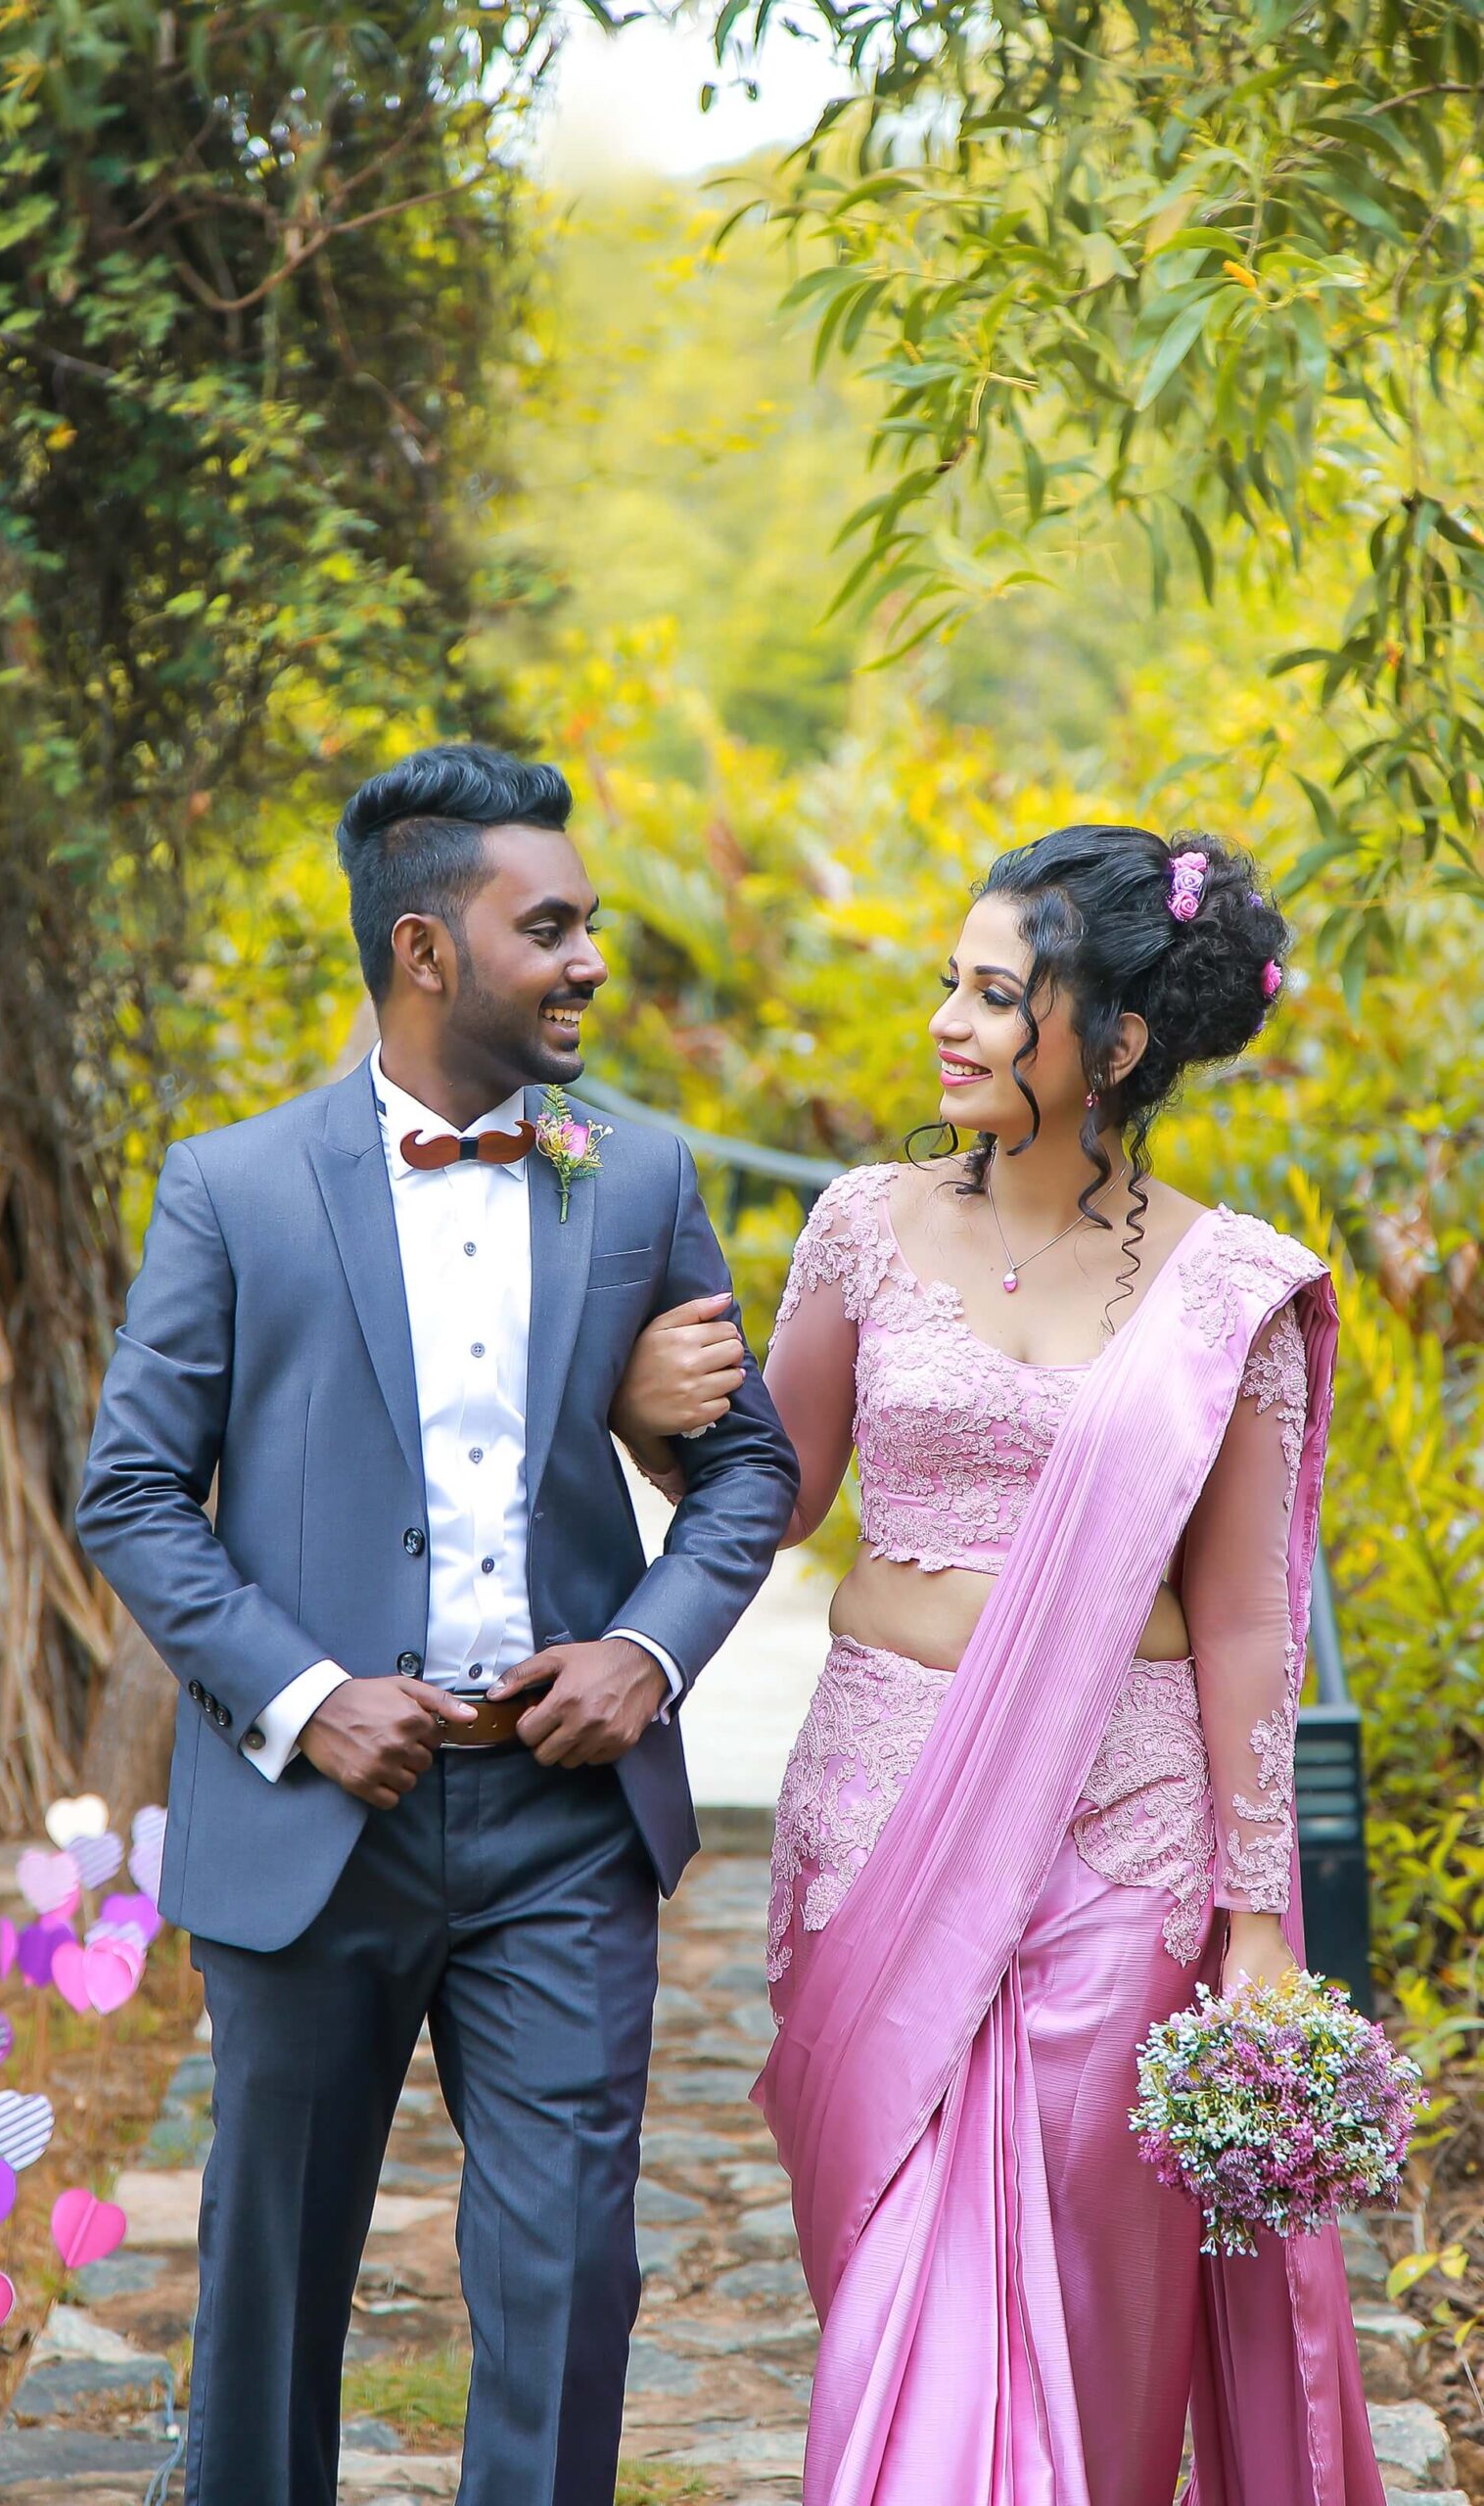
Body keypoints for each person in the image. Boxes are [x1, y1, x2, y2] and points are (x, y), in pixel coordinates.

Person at [611, 825, 1383, 2505]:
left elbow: (1252, 1623)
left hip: (1122, 1838)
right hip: (883, 1807)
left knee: (1099, 2315)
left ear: (1112, 1044)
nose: (947, 1023)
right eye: (946, 986)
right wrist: (650, 1424)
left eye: (992, 994)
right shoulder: (864, 1228)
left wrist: (1258, 1931)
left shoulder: (1226, 1291)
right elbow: (778, 1493)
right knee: (894, 2300)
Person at [76, 742, 797, 2506]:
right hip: (317, 1816)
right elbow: (132, 1492)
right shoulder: (234, 1187)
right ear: (422, 951)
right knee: (268, 2285)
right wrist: (306, 1695)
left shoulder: (626, 1175)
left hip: (561, 1826)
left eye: (590, 925)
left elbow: (750, 1473)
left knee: (570, 2279)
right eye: (545, 927)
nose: (588, 962)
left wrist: (647, 1650)